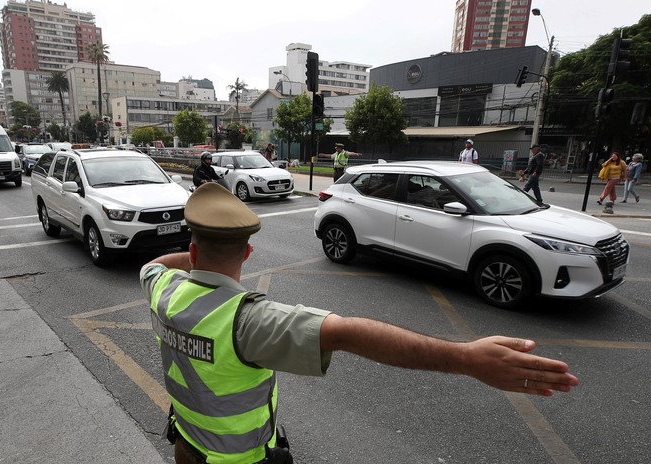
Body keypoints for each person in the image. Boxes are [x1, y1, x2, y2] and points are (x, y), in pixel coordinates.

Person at [141, 183, 579, 464]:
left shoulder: (164, 290)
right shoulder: (247, 320)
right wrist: (465, 357)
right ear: (249, 254)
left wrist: (195, 262)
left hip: (186, 446)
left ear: (193, 253)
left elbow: (156, 264)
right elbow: (349, 332)